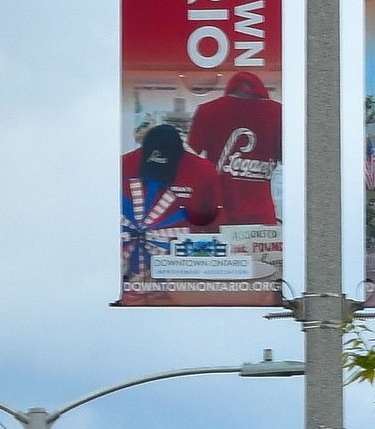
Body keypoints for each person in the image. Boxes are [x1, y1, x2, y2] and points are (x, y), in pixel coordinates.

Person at [121, 121, 223, 279]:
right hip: (129, 265)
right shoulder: (122, 166)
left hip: (183, 268)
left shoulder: (204, 172)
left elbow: (215, 227)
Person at [184, 72, 282, 225]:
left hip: (219, 213)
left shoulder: (207, 111)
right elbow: (292, 161)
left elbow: (190, 161)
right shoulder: (278, 113)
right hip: (262, 215)